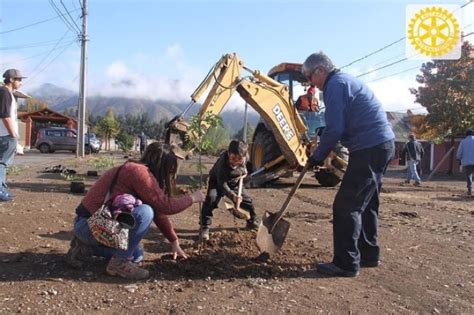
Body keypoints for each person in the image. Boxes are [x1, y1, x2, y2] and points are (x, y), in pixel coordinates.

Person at [302, 52, 395, 277]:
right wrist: (327, 134)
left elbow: (335, 129)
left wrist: (316, 156)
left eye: (309, 77)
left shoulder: (334, 86)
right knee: (367, 201)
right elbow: (339, 125)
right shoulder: (345, 81)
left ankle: (346, 263)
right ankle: (368, 255)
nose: (309, 83)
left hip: (369, 147)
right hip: (382, 144)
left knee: (346, 206)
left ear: (320, 71)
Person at [67, 142, 205, 280]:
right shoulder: (139, 172)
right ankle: (118, 263)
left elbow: (159, 211)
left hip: (93, 225)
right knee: (145, 212)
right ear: (162, 164)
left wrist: (174, 241)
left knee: (137, 255)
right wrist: (192, 198)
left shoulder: (137, 169)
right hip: (90, 224)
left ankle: (85, 248)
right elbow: (164, 206)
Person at [199, 140, 258, 241]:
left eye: (239, 159)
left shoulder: (246, 158)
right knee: (211, 200)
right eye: (233, 158)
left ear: (244, 156)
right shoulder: (222, 164)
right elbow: (223, 184)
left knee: (248, 201)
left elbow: (247, 171)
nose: (235, 161)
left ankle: (251, 222)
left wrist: (246, 176)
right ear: (228, 153)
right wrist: (233, 196)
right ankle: (204, 227)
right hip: (217, 182)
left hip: (235, 181)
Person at [0, 69, 25, 202]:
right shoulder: (4, 92)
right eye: (19, 79)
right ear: (11, 80)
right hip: (5, 135)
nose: (21, 83)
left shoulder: (9, 93)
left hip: (5, 134)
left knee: (4, 163)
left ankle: (2, 188)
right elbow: (5, 115)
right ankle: (0, 190)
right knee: (2, 163)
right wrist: (12, 134)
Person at [456, 129, 474, 196]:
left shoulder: (463, 142)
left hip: (467, 162)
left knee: (469, 176)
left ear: (466, 135)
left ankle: (470, 190)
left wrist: (458, 158)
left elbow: (459, 153)